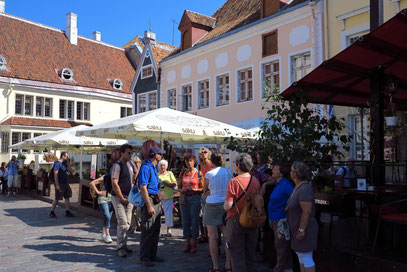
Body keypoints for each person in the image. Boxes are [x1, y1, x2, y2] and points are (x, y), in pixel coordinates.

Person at [224, 153, 261, 272]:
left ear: (239, 165)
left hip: (236, 219)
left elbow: (228, 206)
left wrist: (224, 206)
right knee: (251, 252)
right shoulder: (255, 180)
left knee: (237, 254)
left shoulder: (234, 182)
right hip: (252, 218)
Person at [261, 163, 294, 272]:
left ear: (281, 173)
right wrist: (265, 185)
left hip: (281, 220)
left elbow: (295, 196)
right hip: (275, 219)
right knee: (281, 245)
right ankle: (288, 268)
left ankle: (279, 269)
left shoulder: (285, 184)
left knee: (281, 246)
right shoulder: (278, 183)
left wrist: (288, 207)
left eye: (275, 170)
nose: (272, 171)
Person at [203, 152, 232, 272]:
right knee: (226, 236)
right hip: (225, 204)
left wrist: (212, 192)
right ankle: (228, 264)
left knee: (213, 237)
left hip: (212, 204)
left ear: (211, 161)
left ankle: (215, 266)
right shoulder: (229, 172)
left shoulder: (209, 174)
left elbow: (205, 190)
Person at [287, 162, 318, 272]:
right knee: (301, 257)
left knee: (306, 257)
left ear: (296, 173)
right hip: (296, 228)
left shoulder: (304, 189)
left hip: (305, 229)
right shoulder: (298, 187)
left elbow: (307, 212)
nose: (290, 172)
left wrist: (301, 229)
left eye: (291, 170)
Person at [138, 146, 166, 267]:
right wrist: (149, 206)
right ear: (155, 154)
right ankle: (144, 257)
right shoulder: (145, 167)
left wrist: (159, 202)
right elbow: (143, 188)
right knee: (148, 230)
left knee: (155, 229)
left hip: (155, 199)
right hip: (149, 199)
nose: (162, 156)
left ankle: (152, 255)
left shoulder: (153, 167)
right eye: (160, 154)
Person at [89, 149, 121, 244]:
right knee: (107, 216)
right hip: (103, 198)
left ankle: (103, 233)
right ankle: (107, 235)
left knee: (108, 217)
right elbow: (92, 182)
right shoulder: (105, 177)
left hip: (112, 198)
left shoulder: (117, 178)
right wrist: (98, 191)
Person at [111, 144, 137, 257]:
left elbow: (136, 173)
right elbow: (114, 183)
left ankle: (124, 245)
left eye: (131, 153)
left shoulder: (131, 164)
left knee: (127, 223)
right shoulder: (117, 165)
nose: (130, 155)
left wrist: (132, 184)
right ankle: (120, 247)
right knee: (122, 222)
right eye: (128, 153)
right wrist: (121, 197)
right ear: (122, 153)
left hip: (129, 197)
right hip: (118, 198)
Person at [179, 153, 203, 254]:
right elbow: (179, 187)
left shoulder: (199, 174)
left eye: (191, 161)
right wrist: (182, 190)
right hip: (185, 198)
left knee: (194, 221)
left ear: (194, 162)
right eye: (187, 161)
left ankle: (194, 244)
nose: (189, 163)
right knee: (185, 221)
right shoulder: (183, 173)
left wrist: (195, 189)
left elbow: (203, 189)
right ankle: (187, 243)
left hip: (195, 198)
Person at [50, 152, 75, 218]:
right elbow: (55, 174)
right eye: (66, 156)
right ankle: (52, 212)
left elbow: (70, 170)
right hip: (60, 183)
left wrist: (68, 163)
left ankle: (67, 211)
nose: (67, 158)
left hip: (65, 183)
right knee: (57, 198)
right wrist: (57, 185)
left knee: (67, 197)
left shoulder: (65, 163)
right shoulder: (57, 163)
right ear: (63, 156)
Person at [158, 159, 177, 237]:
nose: (162, 167)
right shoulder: (157, 174)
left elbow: (175, 183)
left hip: (168, 195)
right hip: (159, 196)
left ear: (166, 166)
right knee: (158, 215)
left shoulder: (170, 173)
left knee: (168, 214)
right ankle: (158, 231)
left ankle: (169, 230)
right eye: (161, 165)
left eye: (164, 165)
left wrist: (168, 183)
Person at [198, 147, 213, 243]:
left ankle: (211, 234)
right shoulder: (199, 166)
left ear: (208, 154)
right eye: (201, 152)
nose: (203, 154)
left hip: (212, 191)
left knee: (210, 213)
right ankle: (204, 234)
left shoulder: (212, 164)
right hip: (203, 191)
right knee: (203, 213)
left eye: (205, 152)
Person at [129, 155, 142, 233]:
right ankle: (134, 226)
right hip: (134, 192)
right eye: (136, 162)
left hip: (141, 192)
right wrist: (137, 170)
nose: (138, 164)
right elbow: (133, 180)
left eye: (139, 162)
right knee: (132, 210)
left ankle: (137, 224)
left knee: (139, 210)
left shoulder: (142, 170)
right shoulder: (132, 171)